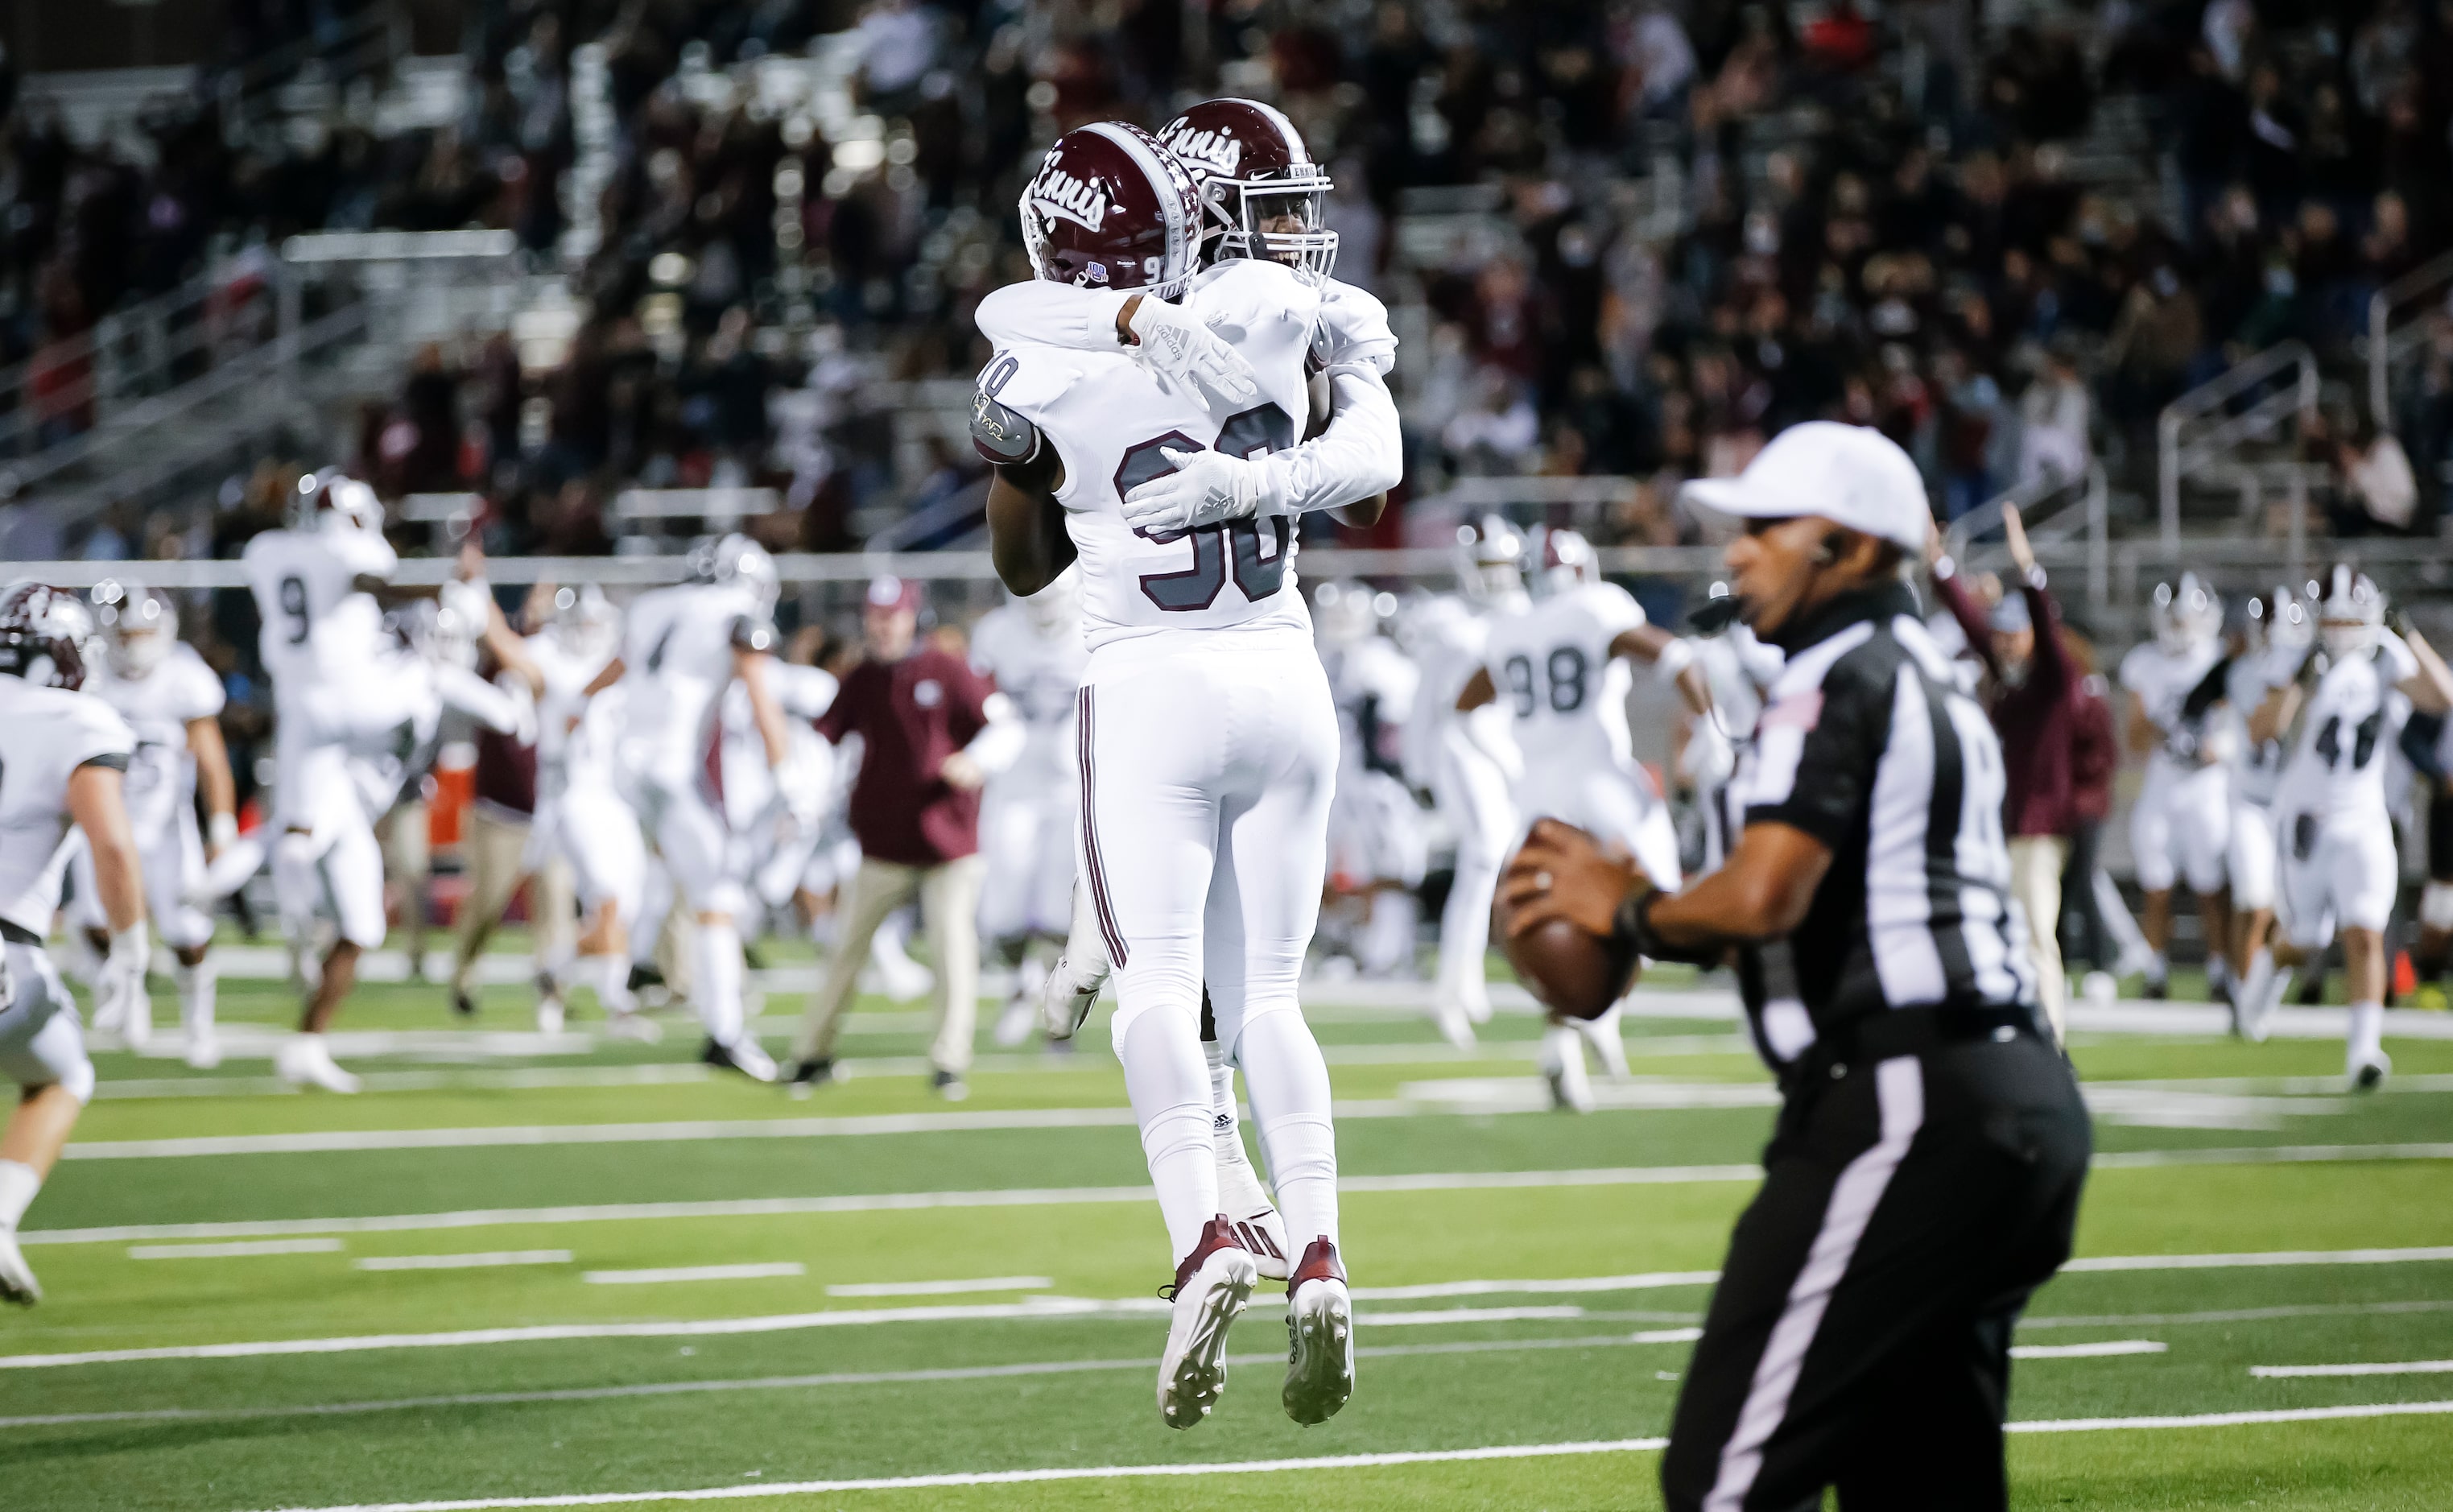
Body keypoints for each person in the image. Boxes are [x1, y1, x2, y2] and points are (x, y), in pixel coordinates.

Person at [1502, 420, 2089, 1512]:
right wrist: (1663, 906)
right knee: (1916, 1484)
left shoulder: (1842, 673)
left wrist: (1624, 907)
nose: (1734, 552)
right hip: (1994, 1100)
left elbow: (1766, 891)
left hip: (1914, 1099)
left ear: (1853, 548)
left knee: (1723, 1478)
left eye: (1768, 528)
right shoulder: (1905, 667)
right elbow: (1769, 908)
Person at [978, 121, 1398, 1431]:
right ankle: (1318, 1243)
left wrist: (1023, 417)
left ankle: (1206, 1233)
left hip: (1152, 685)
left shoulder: (1041, 364)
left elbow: (1018, 566)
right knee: (1269, 995)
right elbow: (1371, 480)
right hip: (1283, 677)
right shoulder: (1283, 313)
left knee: (1156, 989)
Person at [1458, 526, 1715, 1110]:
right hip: (1599, 780)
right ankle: (1597, 1017)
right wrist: (1706, 722)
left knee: (1560, 920)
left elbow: (1466, 706)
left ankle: (1565, 1036)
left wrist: (1505, 760)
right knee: (1655, 902)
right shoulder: (1596, 607)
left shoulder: (1510, 627)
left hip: (1536, 794)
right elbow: (1672, 654)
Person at [787, 576, 1018, 1099]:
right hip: (883, 841)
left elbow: (1004, 726)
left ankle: (949, 1060)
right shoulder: (863, 677)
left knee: (951, 948)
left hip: (947, 841)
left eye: (891, 615)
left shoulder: (947, 669)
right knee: (845, 949)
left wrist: (975, 761)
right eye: (875, 615)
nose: (882, 625)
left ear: (912, 617)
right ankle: (811, 1052)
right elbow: (822, 739)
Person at [592, 533, 802, 1080]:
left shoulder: (651, 605)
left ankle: (642, 965)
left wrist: (574, 719)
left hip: (620, 762)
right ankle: (725, 1034)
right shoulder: (736, 614)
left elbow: (607, 679)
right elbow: (760, 696)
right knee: (718, 894)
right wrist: (789, 780)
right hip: (670, 767)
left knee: (665, 873)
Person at [2234, 567, 2453, 1083]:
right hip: (2308, 818)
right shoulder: (2297, 654)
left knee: (2366, 933)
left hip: (2365, 817)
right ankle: (2265, 975)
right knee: (2306, 937)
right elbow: (2261, 731)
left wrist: (2411, 635)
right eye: (2331, 619)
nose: (2340, 630)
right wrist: (2298, 684)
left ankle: (2364, 1052)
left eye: (2350, 619)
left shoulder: (2384, 653)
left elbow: (2443, 698)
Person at [0, 582, 149, 1303]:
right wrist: (130, 953)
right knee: (64, 1074)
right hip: (6, 957)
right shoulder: (75, 718)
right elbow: (112, 847)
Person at [242, 469, 414, 1093]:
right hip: (344, 704)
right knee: (296, 838)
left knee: (363, 920)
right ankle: (291, 933)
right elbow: (376, 582)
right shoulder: (353, 551)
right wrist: (448, 587)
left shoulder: (267, 551)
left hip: (301, 708)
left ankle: (308, 1042)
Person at [1925, 503, 2082, 1039]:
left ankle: (2051, 1035)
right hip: (2002, 823)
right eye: (2003, 635)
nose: (2006, 642)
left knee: (2037, 931)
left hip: (2039, 827)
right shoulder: (2006, 676)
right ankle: (2010, 1025)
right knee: (2001, 931)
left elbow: (2044, 626)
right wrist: (1936, 563)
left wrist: (2026, 568)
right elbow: (1971, 623)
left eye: (2015, 635)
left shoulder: (2051, 682)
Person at [76, 581, 237, 1067]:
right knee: (97, 924)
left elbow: (210, 756)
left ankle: (198, 1027)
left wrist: (223, 822)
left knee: (187, 932)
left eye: (146, 631)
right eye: (127, 634)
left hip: (168, 826)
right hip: (105, 822)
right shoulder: (89, 674)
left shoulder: (183, 676)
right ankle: (131, 1003)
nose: (136, 642)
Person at [1397, 518, 1529, 1046]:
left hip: (1503, 753)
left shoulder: (1524, 619)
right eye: (1487, 566)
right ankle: (1453, 986)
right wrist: (1418, 770)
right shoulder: (1451, 624)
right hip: (1461, 749)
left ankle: (1464, 981)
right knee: (1482, 857)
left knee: (1492, 863)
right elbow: (1428, 704)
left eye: (1503, 566)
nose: (1496, 578)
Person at [966, 570, 1088, 1046]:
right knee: (1004, 910)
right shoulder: (996, 633)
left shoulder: (1095, 626)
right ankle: (1021, 984)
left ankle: (1058, 1005)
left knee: (1063, 908)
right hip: (1013, 784)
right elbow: (978, 704)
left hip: (1072, 787)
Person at [2118, 573, 2232, 999]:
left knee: (2210, 887)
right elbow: (2133, 739)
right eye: (2175, 619)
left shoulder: (2219, 659)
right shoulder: (2145, 663)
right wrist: (2161, 720)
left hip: (2206, 787)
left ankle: (2221, 971)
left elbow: (2235, 722)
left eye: (2188, 619)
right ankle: (2156, 971)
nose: (2181, 627)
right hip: (2163, 786)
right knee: (2157, 886)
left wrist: (2221, 745)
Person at [1315, 581, 1427, 980]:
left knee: (1392, 865)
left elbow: (1395, 735)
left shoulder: (1382, 664)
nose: (1340, 624)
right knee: (1327, 869)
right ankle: (1342, 944)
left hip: (1376, 781)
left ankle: (1388, 950)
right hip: (1331, 779)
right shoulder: (1316, 657)